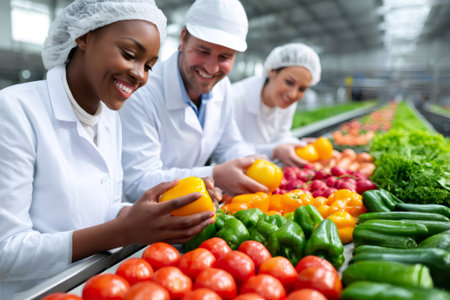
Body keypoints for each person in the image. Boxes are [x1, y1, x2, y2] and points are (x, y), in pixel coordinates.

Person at [0, 1, 217, 298]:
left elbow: (103, 208)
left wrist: (162, 212)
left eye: (149, 65)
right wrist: (124, 231)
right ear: (84, 36)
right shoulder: (14, 111)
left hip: (97, 284)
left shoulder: (110, 119)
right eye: (129, 55)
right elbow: (5, 253)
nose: (140, 75)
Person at [119, 0, 269, 202]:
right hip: (143, 220)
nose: (212, 68)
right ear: (183, 39)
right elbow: (137, 182)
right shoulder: (143, 92)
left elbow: (229, 145)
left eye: (224, 57)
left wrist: (251, 162)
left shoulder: (222, 88)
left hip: (193, 211)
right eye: (203, 51)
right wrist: (215, 175)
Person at [230, 43, 321, 167]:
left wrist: (298, 146)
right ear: (272, 70)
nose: (293, 94)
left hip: (264, 172)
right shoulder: (235, 97)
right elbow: (228, 148)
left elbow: (281, 135)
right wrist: (274, 151)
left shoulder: (286, 100)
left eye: (302, 89)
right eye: (289, 82)